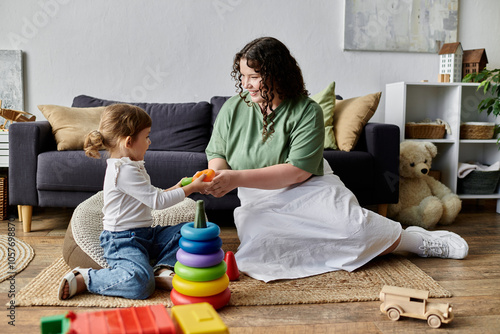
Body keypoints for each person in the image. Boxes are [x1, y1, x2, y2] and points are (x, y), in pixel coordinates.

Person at [205, 37, 469, 283]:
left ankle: (413, 242)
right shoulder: (233, 108)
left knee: (355, 229)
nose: (246, 83)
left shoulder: (307, 110)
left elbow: (298, 171)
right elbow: (217, 153)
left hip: (308, 185)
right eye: (243, 76)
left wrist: (235, 178)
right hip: (258, 194)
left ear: (277, 75)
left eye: (254, 77)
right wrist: (216, 177)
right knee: (262, 248)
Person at [58, 103, 208, 300]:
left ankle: (161, 270)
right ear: (128, 142)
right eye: (146, 137)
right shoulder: (123, 171)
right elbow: (158, 201)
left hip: (145, 234)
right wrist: (192, 189)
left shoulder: (131, 165)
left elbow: (154, 194)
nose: (149, 142)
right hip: (122, 240)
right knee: (140, 283)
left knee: (189, 231)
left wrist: (180, 186)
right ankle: (86, 278)